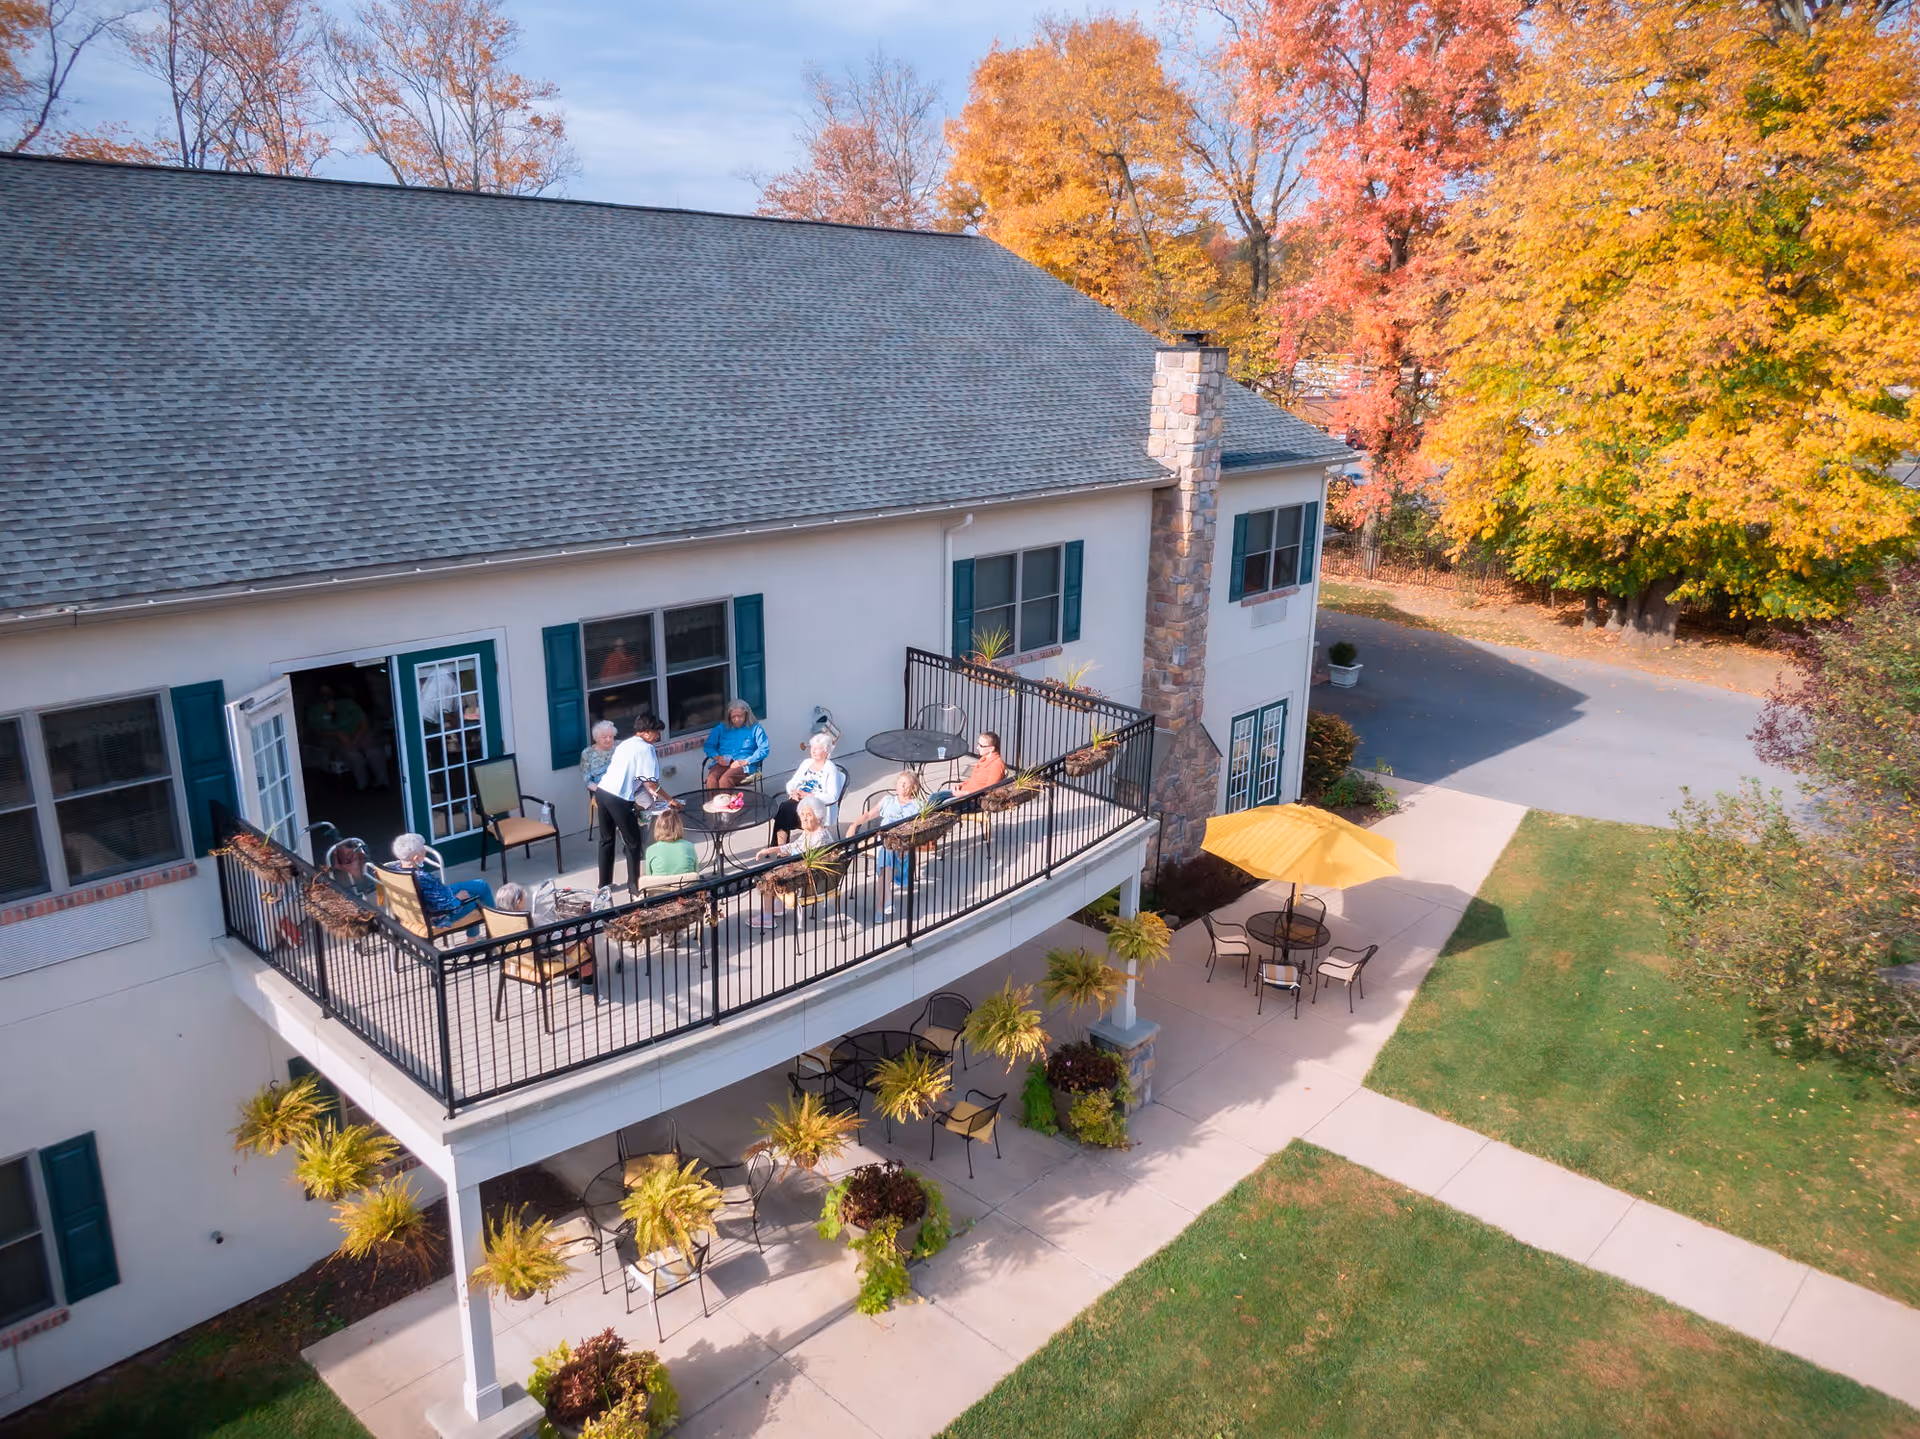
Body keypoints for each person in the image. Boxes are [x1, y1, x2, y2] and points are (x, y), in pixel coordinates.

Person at [595, 714, 679, 894]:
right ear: (647, 732)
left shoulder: (625, 744)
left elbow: (638, 777)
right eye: (656, 733)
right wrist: (669, 799)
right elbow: (651, 783)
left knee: (606, 839)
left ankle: (603, 885)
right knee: (633, 842)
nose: (657, 737)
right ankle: (634, 886)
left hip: (602, 792)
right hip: (618, 797)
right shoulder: (646, 749)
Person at [844, 771, 924, 917]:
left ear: (913, 787)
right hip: (885, 842)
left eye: (906, 783)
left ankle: (882, 906)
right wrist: (854, 825)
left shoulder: (918, 805)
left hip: (904, 846)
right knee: (887, 850)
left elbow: (921, 828)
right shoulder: (887, 800)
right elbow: (868, 815)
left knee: (887, 852)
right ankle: (884, 902)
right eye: (900, 782)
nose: (902, 785)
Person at [749, 797, 834, 928]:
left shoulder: (819, 837)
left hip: (808, 879)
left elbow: (805, 861)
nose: (804, 819)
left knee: (766, 877)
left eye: (809, 815)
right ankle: (777, 905)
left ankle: (767, 917)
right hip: (804, 871)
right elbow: (794, 846)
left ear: (818, 817)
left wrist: (784, 865)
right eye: (802, 814)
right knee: (777, 867)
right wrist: (771, 849)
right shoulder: (811, 832)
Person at [387, 833, 493, 931]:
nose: (425, 850)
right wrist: (458, 898)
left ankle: (472, 941)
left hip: (420, 908)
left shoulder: (395, 871)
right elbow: (447, 906)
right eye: (423, 848)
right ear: (416, 858)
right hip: (437, 916)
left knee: (480, 884)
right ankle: (497, 925)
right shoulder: (423, 878)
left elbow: (435, 895)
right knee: (474, 897)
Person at [307, 683, 389, 791]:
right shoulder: (314, 710)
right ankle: (363, 786)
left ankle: (382, 783)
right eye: (322, 692)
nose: (326, 696)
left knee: (374, 752)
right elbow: (317, 731)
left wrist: (357, 737)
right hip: (333, 738)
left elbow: (363, 723)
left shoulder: (348, 704)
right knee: (355, 757)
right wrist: (338, 734)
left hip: (359, 733)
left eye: (328, 691)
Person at [773, 732, 844, 842]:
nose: (813, 751)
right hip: (798, 800)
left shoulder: (830, 768)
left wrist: (810, 796)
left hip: (816, 805)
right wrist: (793, 791)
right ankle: (782, 850)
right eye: (812, 748)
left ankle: (782, 851)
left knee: (785, 810)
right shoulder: (806, 763)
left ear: (826, 751)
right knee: (783, 808)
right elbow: (791, 783)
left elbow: (833, 796)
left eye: (817, 748)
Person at [702, 702, 770, 789]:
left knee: (725, 779)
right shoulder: (722, 727)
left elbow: (764, 749)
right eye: (733, 717)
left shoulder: (755, 728)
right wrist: (717, 757)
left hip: (744, 765)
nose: (737, 719)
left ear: (746, 714)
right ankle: (713, 802)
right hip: (723, 762)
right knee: (712, 779)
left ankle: (727, 803)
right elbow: (708, 746)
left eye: (740, 716)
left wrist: (745, 761)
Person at [938, 731, 1007, 813]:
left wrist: (965, 794)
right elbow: (973, 780)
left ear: (991, 748)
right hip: (965, 791)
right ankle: (921, 819)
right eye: (978, 744)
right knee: (935, 797)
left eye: (981, 746)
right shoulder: (984, 759)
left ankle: (925, 821)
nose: (977, 747)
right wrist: (960, 785)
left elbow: (988, 790)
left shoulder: (997, 765)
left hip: (973, 799)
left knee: (942, 806)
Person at [580, 719, 618, 835]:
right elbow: (586, 780)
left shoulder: (619, 748)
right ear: (596, 738)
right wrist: (601, 790)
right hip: (601, 790)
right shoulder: (588, 754)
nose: (608, 739)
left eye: (611, 736)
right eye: (604, 737)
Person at [644, 809, 702, 878]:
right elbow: (696, 874)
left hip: (660, 888)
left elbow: (649, 878)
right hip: (686, 887)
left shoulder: (651, 850)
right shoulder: (689, 846)